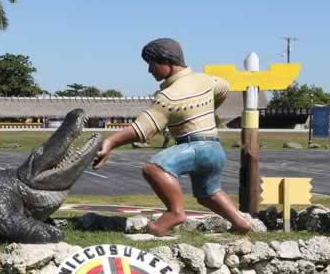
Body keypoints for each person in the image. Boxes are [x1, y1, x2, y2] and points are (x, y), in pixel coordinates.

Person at [94, 37, 254, 235]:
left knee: (154, 168)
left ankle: (175, 213)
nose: (149, 70)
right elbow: (224, 87)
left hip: (194, 148)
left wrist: (110, 142)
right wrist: (207, 110)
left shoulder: (169, 97)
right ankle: (239, 221)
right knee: (209, 193)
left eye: (152, 64)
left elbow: (142, 129)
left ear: (167, 62)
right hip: (215, 150)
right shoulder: (207, 80)